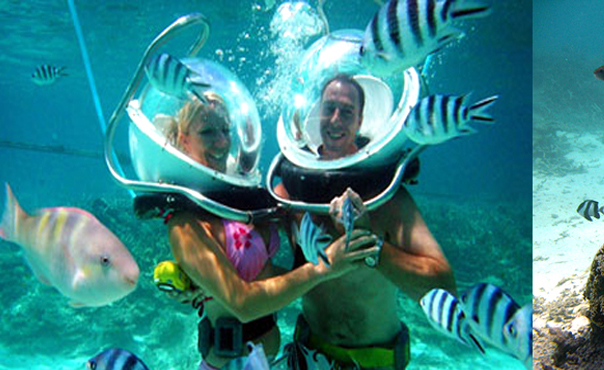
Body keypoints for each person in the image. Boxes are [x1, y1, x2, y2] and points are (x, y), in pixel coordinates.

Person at [161, 92, 382, 370]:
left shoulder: (237, 200)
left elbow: (264, 275)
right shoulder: (185, 223)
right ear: (184, 139)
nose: (221, 141)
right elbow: (244, 303)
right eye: (207, 132)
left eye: (225, 130)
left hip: (262, 360)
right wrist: (324, 268)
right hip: (227, 365)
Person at [278, 75, 457, 370]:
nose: (335, 119)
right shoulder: (291, 196)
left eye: (346, 111)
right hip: (309, 353)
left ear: (360, 120)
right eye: (329, 108)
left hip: (375, 360)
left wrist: (369, 246)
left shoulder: (386, 199)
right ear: (317, 113)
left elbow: (444, 286)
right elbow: (252, 256)